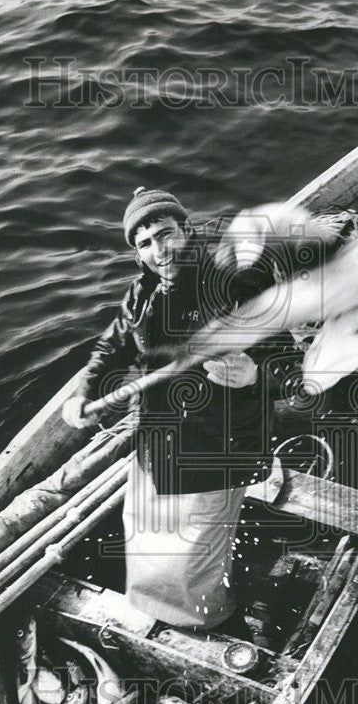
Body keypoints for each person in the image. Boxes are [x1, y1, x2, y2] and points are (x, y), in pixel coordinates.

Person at [62, 186, 284, 632]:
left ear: (187, 230)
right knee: (142, 529)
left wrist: (254, 374)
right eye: (144, 243)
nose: (157, 250)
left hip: (217, 445)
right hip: (158, 440)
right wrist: (84, 391)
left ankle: (210, 621)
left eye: (165, 234)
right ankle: (152, 610)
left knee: (196, 545)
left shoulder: (236, 284)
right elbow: (113, 346)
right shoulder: (142, 292)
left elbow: (291, 364)